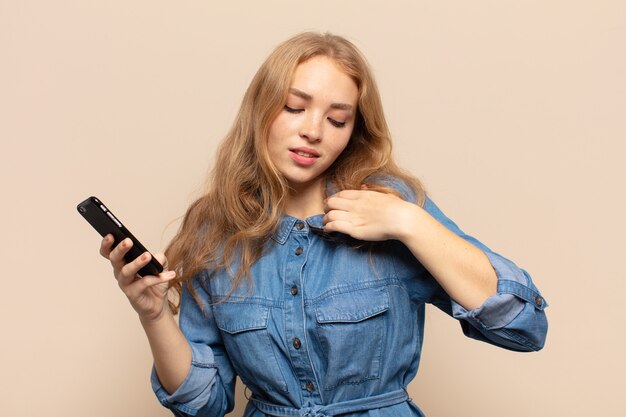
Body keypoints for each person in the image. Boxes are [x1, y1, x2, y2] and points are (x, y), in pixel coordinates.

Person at [99, 32, 548, 417]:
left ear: (354, 131)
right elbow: (205, 402)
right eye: (295, 108)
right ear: (261, 112)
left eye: (337, 119)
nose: (314, 131)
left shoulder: (391, 204)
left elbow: (523, 325)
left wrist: (407, 221)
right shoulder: (215, 230)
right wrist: (154, 315)